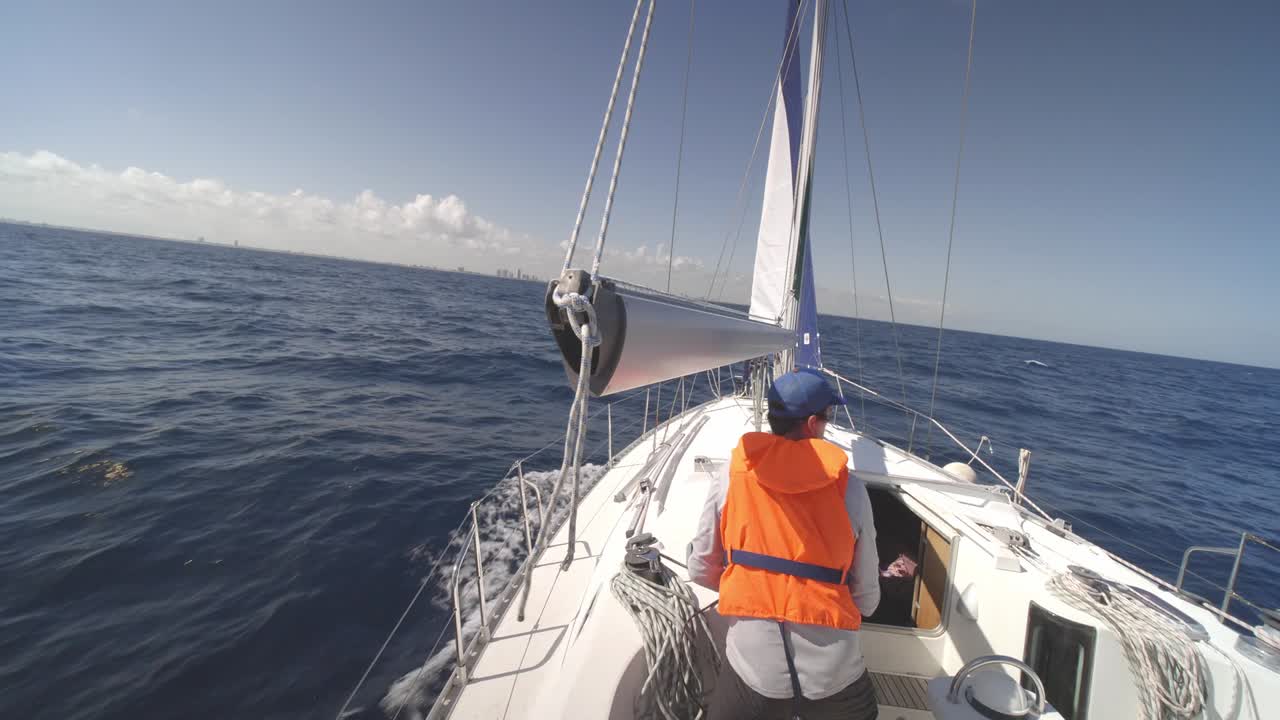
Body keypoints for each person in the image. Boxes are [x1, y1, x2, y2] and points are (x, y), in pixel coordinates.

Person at [688, 368, 880, 720]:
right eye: (827, 417)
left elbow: (700, 569)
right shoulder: (852, 491)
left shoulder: (730, 480)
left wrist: (752, 584)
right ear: (811, 424)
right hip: (833, 676)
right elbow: (867, 599)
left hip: (753, 672)